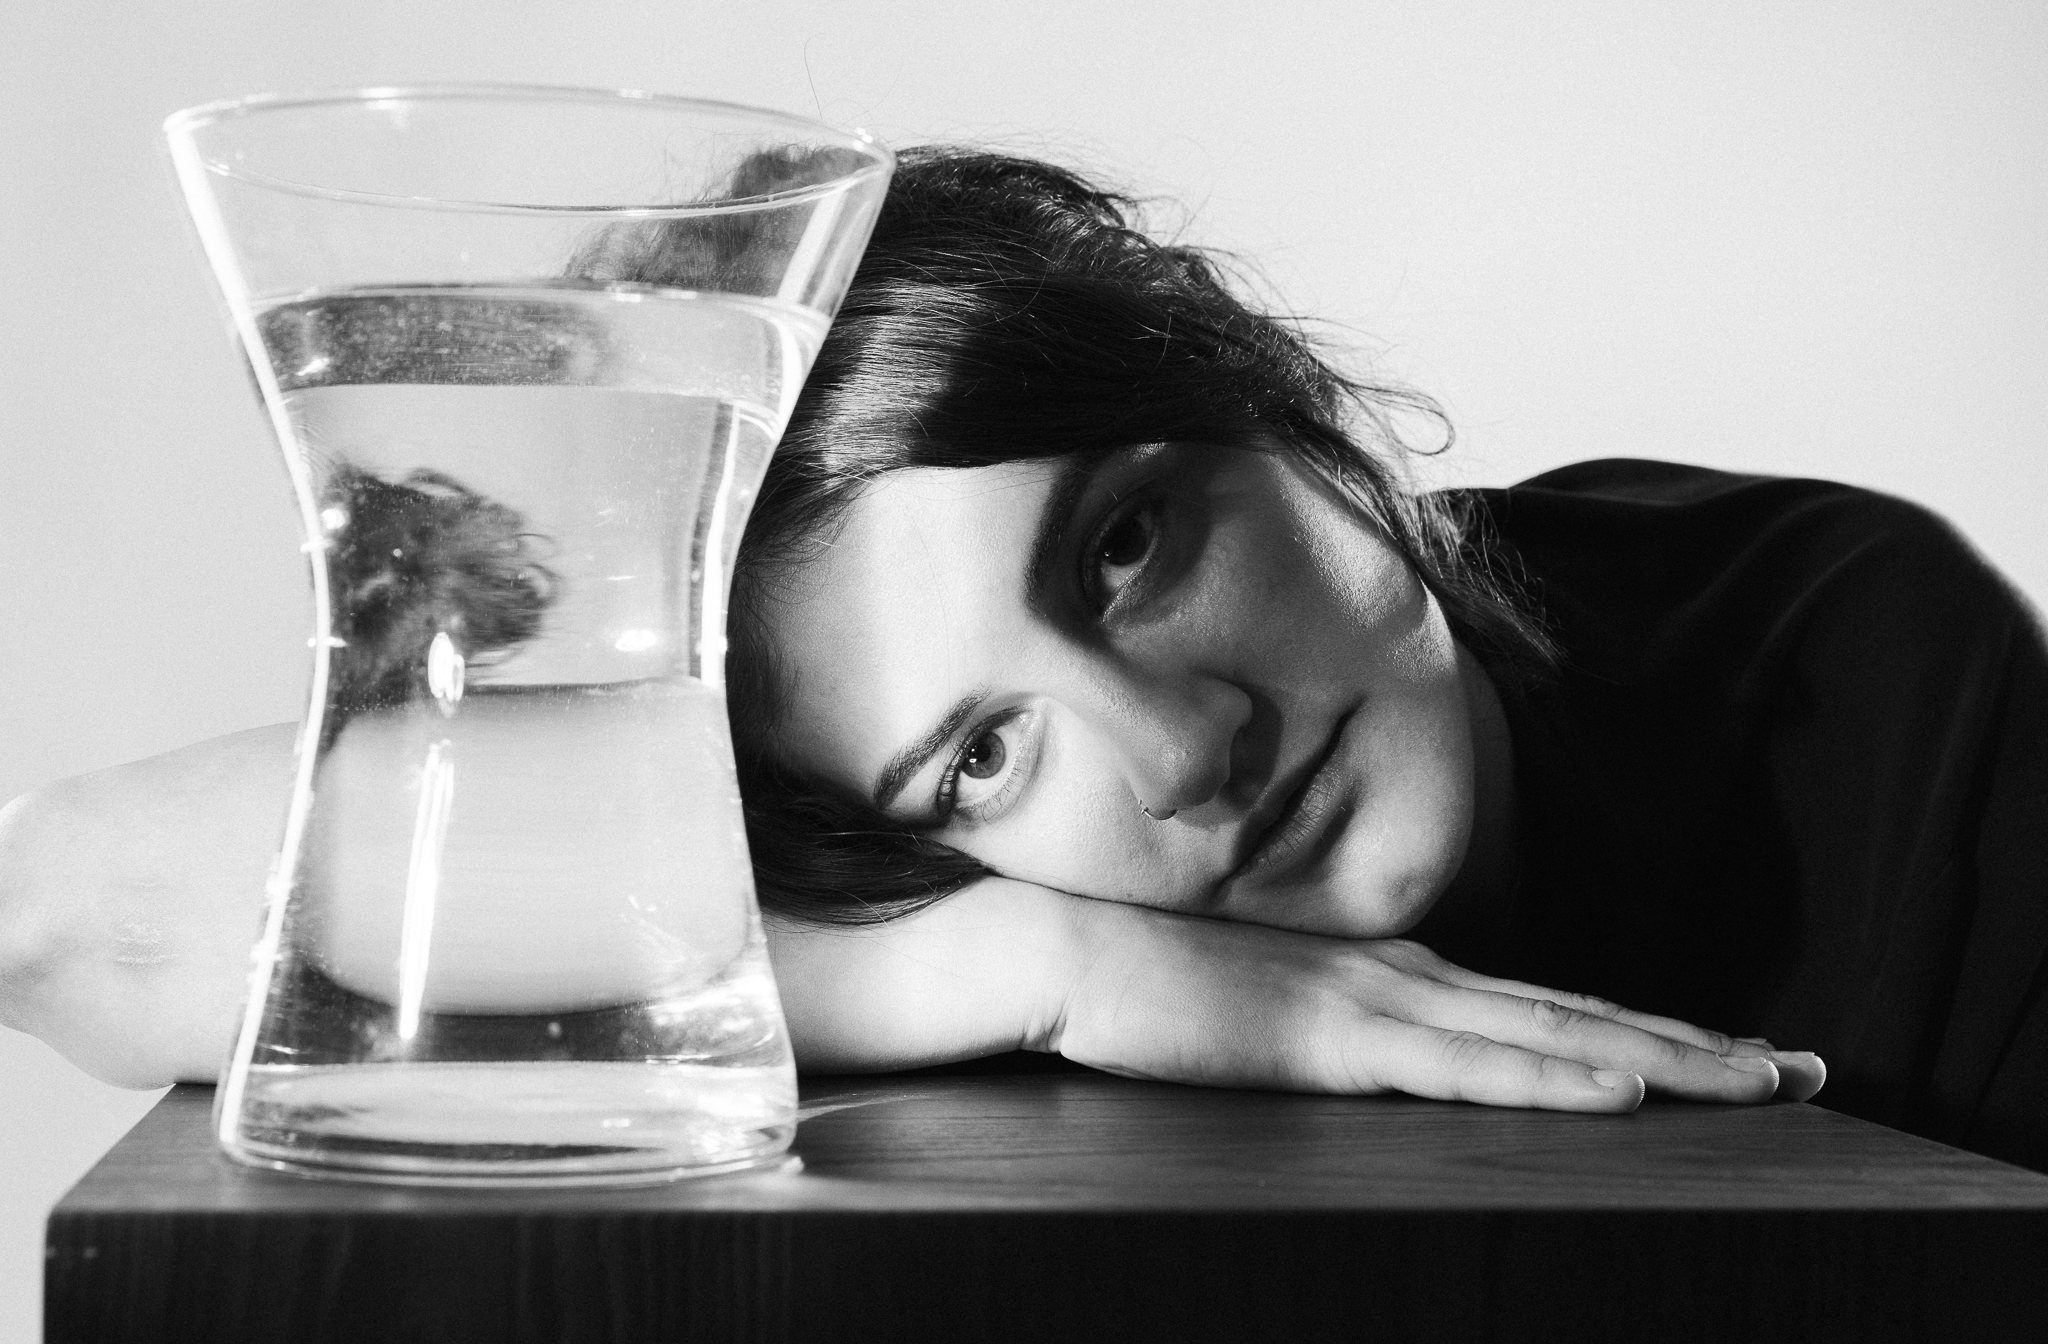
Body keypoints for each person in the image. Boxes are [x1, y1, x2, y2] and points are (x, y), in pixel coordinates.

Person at [4, 149, 2042, 1169]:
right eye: (976, 761)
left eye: (1131, 545)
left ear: (1278, 409)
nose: (1174, 751)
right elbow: (53, 907)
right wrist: (1030, 961)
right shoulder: (984, 912)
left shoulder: (1845, 660)